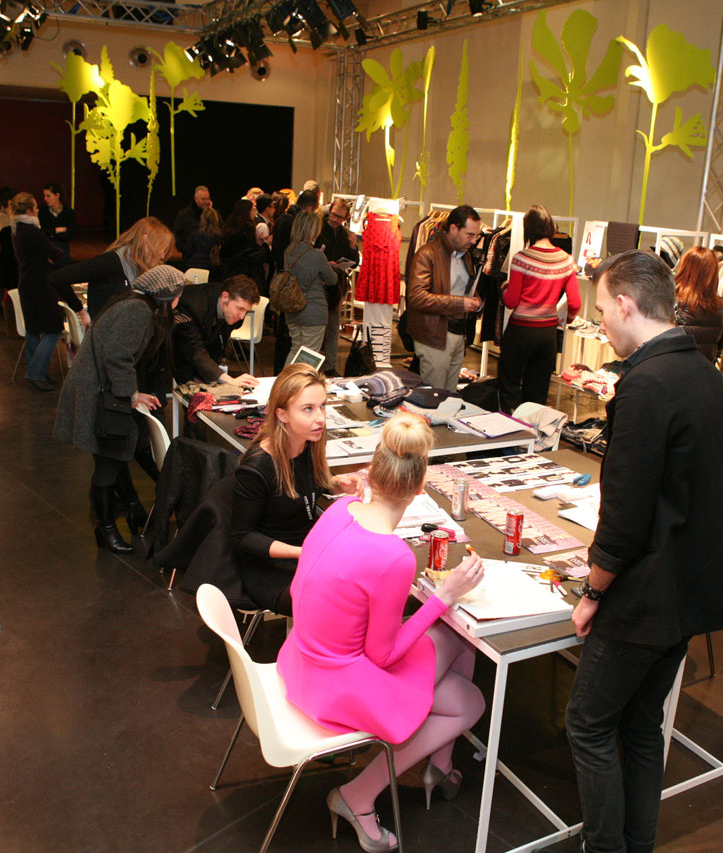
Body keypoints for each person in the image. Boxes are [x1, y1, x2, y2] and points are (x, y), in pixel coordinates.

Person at [566, 251, 723, 853]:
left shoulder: (644, 385)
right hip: (690, 587)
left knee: (588, 723)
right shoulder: (707, 375)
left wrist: (592, 591)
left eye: (600, 311)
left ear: (625, 305)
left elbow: (625, 512)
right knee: (642, 724)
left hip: (645, 593)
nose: (600, 325)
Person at [277, 413, 485, 852]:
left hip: (301, 661)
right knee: (467, 688)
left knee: (459, 660)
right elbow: (383, 656)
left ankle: (440, 763)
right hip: (339, 687)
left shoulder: (339, 510)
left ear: (373, 471)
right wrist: (443, 596)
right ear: (420, 485)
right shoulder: (393, 557)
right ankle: (358, 795)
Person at [55, 266, 185, 553]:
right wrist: (132, 394)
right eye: (178, 295)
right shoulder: (138, 311)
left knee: (114, 455)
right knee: (108, 462)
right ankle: (105, 530)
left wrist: (134, 393)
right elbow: (117, 357)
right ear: (167, 296)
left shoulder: (130, 302)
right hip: (97, 392)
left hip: (97, 387)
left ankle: (127, 514)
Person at [232, 363, 366, 615]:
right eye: (308, 409)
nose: (321, 418)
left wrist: (333, 483)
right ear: (282, 415)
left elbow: (299, 486)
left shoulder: (307, 443)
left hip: (308, 552)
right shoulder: (257, 467)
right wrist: (303, 553)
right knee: (346, 605)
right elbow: (242, 537)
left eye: (322, 406)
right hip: (271, 568)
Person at [498, 204, 580, 412]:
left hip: (520, 331)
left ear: (528, 229)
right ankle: (533, 430)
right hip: (547, 334)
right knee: (537, 392)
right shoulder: (566, 260)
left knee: (509, 387)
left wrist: (505, 288)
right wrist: (568, 318)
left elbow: (511, 301)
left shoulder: (522, 258)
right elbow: (575, 302)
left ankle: (508, 427)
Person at [9, 192, 88, 391]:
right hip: (40, 285)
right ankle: (36, 373)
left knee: (33, 329)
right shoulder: (32, 232)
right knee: (53, 329)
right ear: (29, 210)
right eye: (36, 207)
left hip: (28, 283)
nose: (38, 210)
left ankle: (36, 372)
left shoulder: (17, 229)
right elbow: (56, 253)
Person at [406, 205, 482, 391]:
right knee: (434, 395)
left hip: (458, 333)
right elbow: (416, 296)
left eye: (476, 236)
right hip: (434, 335)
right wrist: (459, 303)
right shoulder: (427, 254)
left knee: (450, 396)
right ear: (453, 229)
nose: (474, 241)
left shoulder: (466, 256)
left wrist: (476, 300)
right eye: (469, 235)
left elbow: (463, 287)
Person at [47, 216, 176, 317]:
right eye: (161, 248)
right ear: (145, 240)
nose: (162, 255)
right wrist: (80, 311)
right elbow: (57, 278)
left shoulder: (136, 267)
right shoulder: (109, 263)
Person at [171, 274, 260, 388]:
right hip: (174, 351)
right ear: (225, 297)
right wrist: (227, 379)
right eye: (240, 308)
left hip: (201, 349)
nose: (242, 316)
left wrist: (216, 378)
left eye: (246, 311)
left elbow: (216, 342)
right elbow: (194, 350)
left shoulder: (233, 312)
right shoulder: (191, 305)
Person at [283, 210, 338, 366]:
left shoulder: (288, 252)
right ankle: (299, 382)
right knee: (309, 356)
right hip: (314, 310)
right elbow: (332, 279)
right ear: (313, 230)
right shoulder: (317, 255)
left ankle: (285, 380)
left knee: (295, 350)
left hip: (292, 308)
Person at [314, 198, 360, 371]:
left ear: (345, 218)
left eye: (339, 217)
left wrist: (353, 247)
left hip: (337, 287)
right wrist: (325, 263)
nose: (335, 219)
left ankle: (330, 367)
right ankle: (312, 368)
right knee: (318, 329)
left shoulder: (345, 235)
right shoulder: (318, 229)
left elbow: (354, 263)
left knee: (333, 329)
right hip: (318, 285)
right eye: (333, 215)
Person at [673, 246, 723, 362]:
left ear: (685, 268)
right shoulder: (721, 307)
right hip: (704, 369)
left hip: (672, 367)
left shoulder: (672, 300)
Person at [219, 198, 265, 284]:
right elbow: (250, 254)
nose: (254, 212)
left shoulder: (228, 227)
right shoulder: (247, 229)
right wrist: (263, 246)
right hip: (244, 272)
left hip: (229, 271)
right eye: (252, 209)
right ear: (247, 212)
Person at [0, 186, 19, 336]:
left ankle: (17, 326)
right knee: (10, 293)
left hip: (14, 260)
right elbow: (6, 242)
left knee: (14, 291)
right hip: (9, 260)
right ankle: (12, 328)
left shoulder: (11, 217)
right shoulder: (2, 218)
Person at [172, 185, 212, 259]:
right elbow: (176, 235)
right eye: (203, 199)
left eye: (208, 199)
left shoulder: (212, 214)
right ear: (196, 199)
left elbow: (218, 232)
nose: (206, 202)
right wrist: (186, 249)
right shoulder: (184, 215)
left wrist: (210, 212)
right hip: (190, 257)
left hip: (207, 257)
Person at [40, 182, 76, 262]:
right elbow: (41, 231)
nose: (45, 199)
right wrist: (56, 230)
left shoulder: (69, 212)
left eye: (48, 196)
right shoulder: (42, 211)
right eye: (44, 196)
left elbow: (71, 233)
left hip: (63, 247)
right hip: (46, 246)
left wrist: (52, 234)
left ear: (57, 195)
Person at [181, 206, 221, 274]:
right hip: (211, 267)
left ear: (202, 218)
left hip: (195, 265)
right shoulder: (218, 236)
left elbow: (188, 250)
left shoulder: (194, 233)